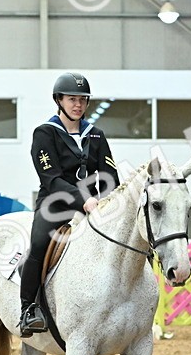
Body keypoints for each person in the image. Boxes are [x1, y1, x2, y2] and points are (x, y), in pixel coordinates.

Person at [19, 72, 120, 337]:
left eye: (83, 100)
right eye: (72, 99)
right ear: (59, 100)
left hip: (93, 207)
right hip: (54, 204)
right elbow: (51, 179)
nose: (78, 105)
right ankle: (28, 308)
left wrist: (104, 200)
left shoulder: (96, 136)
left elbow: (110, 177)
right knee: (39, 245)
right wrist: (83, 200)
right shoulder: (45, 133)